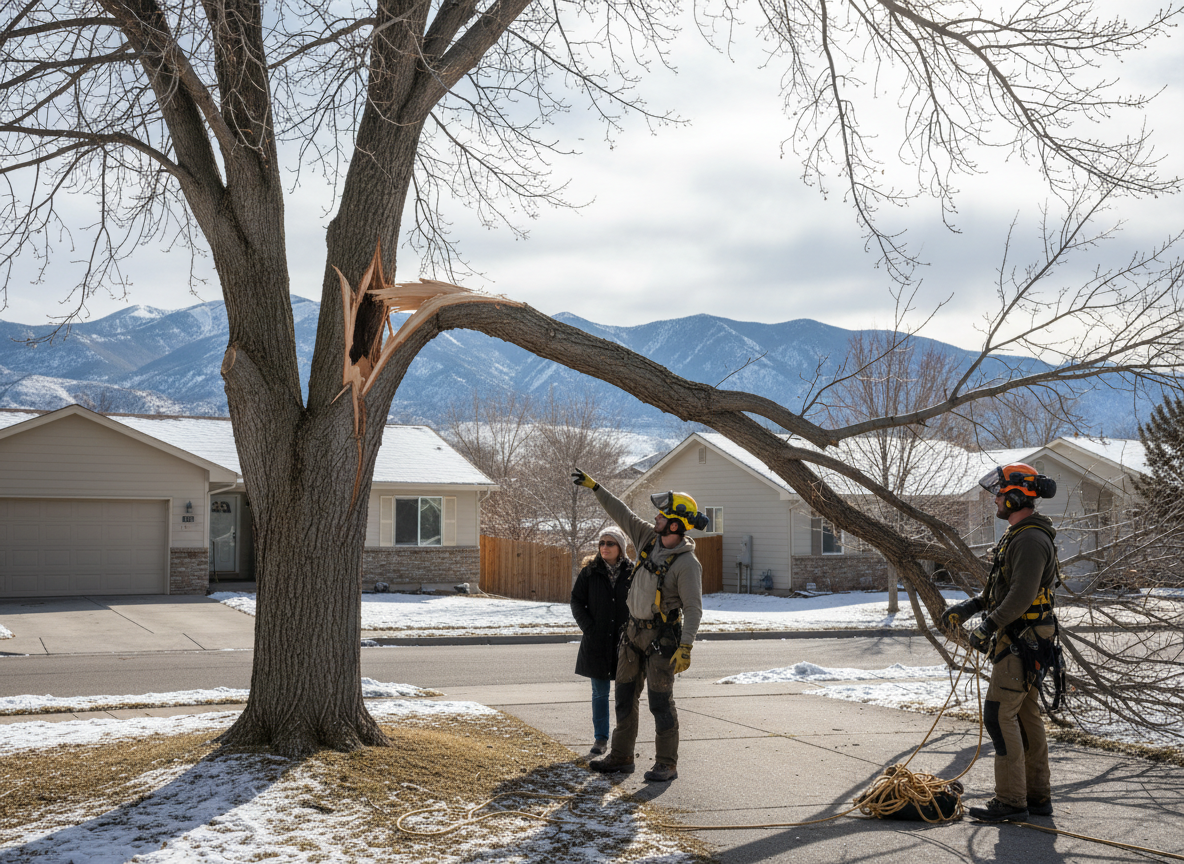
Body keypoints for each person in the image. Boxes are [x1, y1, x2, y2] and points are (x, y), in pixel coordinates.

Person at [571, 468, 708, 783]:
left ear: (675, 524)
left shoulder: (687, 564)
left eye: (662, 516)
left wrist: (686, 646)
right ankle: (621, 757)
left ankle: (666, 764)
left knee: (660, 703)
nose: (656, 519)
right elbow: (622, 511)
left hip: (664, 640)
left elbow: (694, 608)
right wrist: (596, 487)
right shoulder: (648, 537)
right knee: (624, 698)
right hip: (632, 636)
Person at [942, 462, 1059, 823]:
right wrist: (973, 605)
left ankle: (1011, 801)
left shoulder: (1029, 539)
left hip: (1021, 640)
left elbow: (1022, 595)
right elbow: (1005, 587)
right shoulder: (1021, 534)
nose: (994, 499)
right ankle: (1036, 797)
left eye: (999, 493)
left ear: (1015, 496)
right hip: (1026, 637)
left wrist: (988, 625)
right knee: (1024, 714)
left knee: (998, 714)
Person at [570, 525, 633, 755]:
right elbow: (576, 601)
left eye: (610, 543)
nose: (604, 547)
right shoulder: (590, 571)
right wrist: (589, 627)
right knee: (599, 694)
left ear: (621, 548)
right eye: (602, 543)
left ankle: (622, 740)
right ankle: (601, 739)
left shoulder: (632, 572)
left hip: (625, 644)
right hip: (596, 642)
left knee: (625, 695)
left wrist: (633, 631)